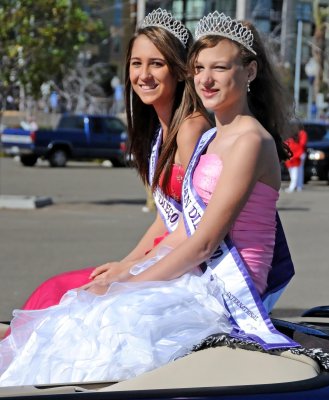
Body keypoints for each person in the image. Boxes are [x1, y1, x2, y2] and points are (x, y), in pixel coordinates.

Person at [0, 11, 300, 387]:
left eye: (219, 68)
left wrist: (130, 282)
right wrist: (127, 270)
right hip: (201, 268)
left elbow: (205, 242)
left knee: (110, 322)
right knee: (85, 309)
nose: (206, 79)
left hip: (228, 285)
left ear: (250, 72)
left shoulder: (250, 141)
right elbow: (182, 226)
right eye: (200, 68)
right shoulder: (213, 137)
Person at [18, 9, 212, 311]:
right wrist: (125, 263)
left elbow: (194, 225)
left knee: (72, 300)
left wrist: (131, 271)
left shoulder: (191, 128)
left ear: (177, 69)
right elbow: (164, 218)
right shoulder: (159, 132)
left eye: (156, 64)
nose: (143, 75)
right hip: (162, 256)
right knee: (56, 289)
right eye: (136, 63)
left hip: (187, 269)